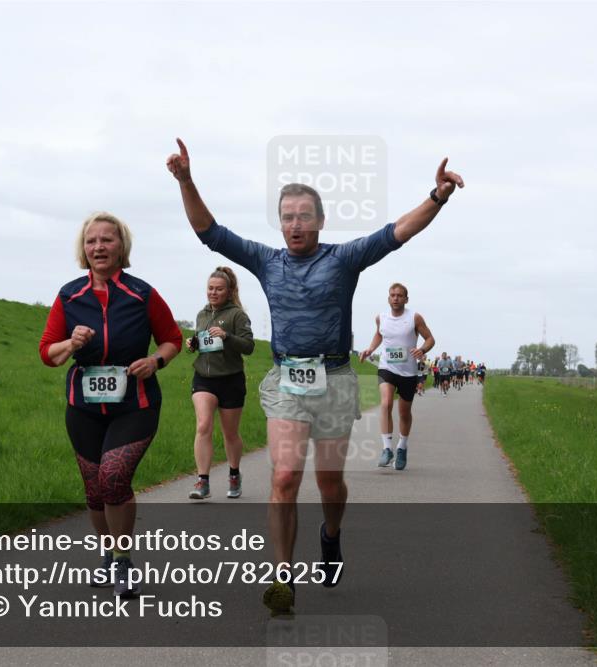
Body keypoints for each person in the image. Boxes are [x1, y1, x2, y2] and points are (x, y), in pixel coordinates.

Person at [166, 138, 463, 615]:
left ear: (320, 222)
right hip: (287, 381)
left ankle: (331, 535)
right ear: (280, 222)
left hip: (335, 380)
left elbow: (397, 232)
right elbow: (210, 232)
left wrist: (437, 196)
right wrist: (185, 180)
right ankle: (283, 579)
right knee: (284, 477)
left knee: (329, 483)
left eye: (305, 215)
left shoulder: (342, 259)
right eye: (287, 216)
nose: (295, 224)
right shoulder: (266, 261)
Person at [39, 212, 182, 599]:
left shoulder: (142, 293)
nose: (99, 247)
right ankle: (108, 554)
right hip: (83, 408)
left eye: (107, 240)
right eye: (91, 242)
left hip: (135, 404)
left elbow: (172, 338)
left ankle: (122, 560)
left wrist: (155, 361)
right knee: (95, 491)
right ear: (83, 250)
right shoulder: (70, 295)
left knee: (114, 477)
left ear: (122, 247)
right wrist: (71, 344)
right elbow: (47, 354)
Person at [186, 266, 255, 500]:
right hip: (203, 378)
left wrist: (227, 337)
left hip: (230, 380)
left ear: (229, 291)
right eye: (210, 288)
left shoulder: (237, 315)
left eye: (218, 289)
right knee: (203, 425)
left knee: (230, 434)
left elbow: (249, 346)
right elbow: (203, 343)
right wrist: (193, 344)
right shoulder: (201, 314)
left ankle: (234, 474)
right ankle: (202, 481)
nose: (213, 293)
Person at [359, 283, 434, 471]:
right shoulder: (381, 318)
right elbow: (379, 335)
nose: (395, 298)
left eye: (399, 295)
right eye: (392, 295)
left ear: (406, 299)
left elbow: (430, 339)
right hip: (387, 368)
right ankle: (386, 448)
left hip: (408, 372)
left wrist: (422, 349)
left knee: (404, 413)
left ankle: (402, 447)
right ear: (388, 298)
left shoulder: (414, 318)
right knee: (385, 404)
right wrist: (370, 349)